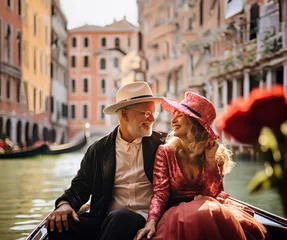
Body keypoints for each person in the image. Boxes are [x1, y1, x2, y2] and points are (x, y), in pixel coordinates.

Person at [135, 92, 269, 240]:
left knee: (208, 211)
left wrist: (211, 160)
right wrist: (151, 222)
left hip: (211, 207)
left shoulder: (213, 153)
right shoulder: (165, 152)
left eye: (180, 115)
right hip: (178, 213)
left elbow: (213, 193)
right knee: (202, 214)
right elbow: (161, 193)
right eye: (174, 114)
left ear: (194, 122)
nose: (173, 120)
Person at [45, 82, 166, 240]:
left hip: (144, 219)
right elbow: (80, 187)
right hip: (104, 219)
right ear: (124, 115)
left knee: (122, 217)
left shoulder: (162, 144)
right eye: (145, 113)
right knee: (58, 227)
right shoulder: (99, 150)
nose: (151, 119)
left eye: (153, 113)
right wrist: (64, 204)